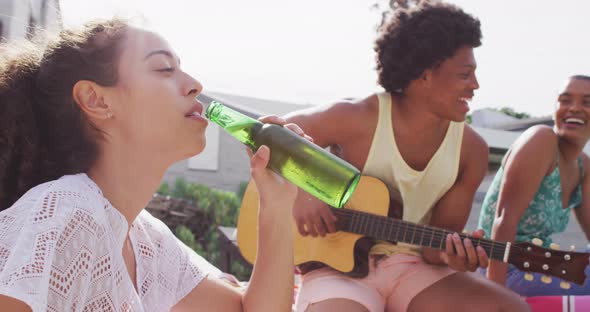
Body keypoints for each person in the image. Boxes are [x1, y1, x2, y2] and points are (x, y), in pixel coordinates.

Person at [0, 18, 307, 312]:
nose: (195, 85)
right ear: (96, 100)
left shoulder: (142, 238)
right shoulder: (70, 211)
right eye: (164, 68)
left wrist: (276, 203)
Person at [284, 2, 529, 312]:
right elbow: (264, 132)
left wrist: (451, 255)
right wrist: (303, 191)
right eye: (465, 75)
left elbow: (433, 249)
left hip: (414, 269)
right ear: (425, 75)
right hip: (336, 269)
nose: (475, 85)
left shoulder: (471, 150)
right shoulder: (359, 117)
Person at [478, 75, 590, 296]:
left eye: (587, 102)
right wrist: (495, 298)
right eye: (565, 100)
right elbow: (504, 219)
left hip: (544, 264)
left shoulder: (583, 165)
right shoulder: (541, 140)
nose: (574, 108)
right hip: (503, 268)